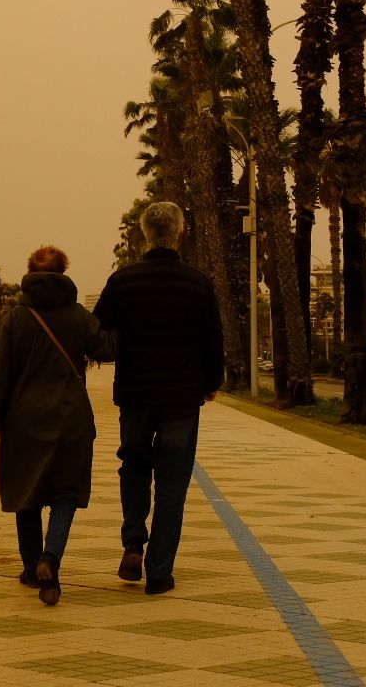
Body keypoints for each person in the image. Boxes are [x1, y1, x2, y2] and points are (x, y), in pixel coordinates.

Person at [92, 201, 224, 596]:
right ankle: (160, 572)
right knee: (172, 482)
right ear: (179, 234)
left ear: (144, 234)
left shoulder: (122, 282)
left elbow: (97, 331)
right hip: (182, 398)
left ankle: (133, 541)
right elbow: (212, 340)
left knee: (133, 466)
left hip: (135, 394)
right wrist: (211, 382)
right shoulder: (198, 283)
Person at [0, 245, 111, 606]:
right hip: (71, 420)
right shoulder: (79, 316)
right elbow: (107, 348)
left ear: (30, 273)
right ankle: (52, 557)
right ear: (64, 273)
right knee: (66, 494)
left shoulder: (16, 319)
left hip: (23, 423)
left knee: (27, 494)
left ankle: (34, 570)